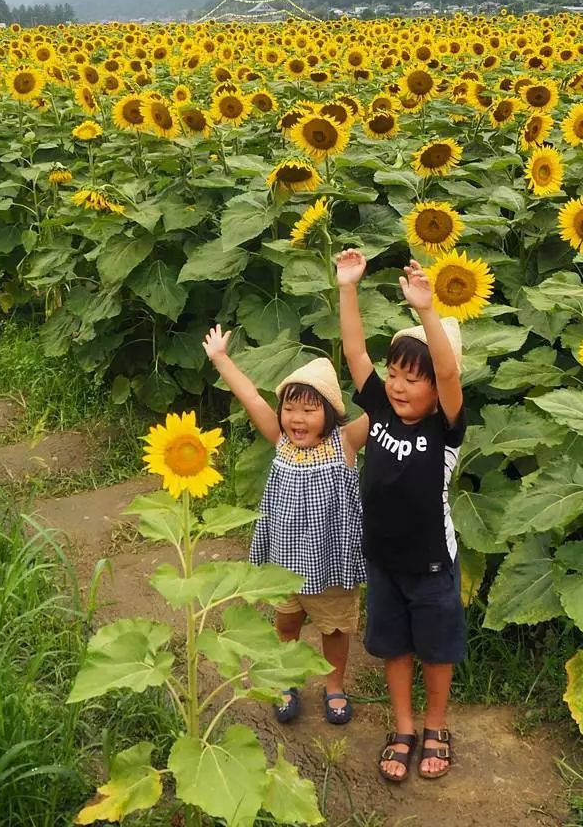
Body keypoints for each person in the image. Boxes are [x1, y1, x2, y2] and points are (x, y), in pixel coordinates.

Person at [337, 249, 467, 783]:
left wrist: (427, 312)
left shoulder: (446, 429)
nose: (397, 385)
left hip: (432, 565)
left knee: (435, 652)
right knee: (392, 647)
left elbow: (449, 369)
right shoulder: (382, 410)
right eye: (394, 374)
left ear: (437, 392)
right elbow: (353, 352)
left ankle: (436, 725)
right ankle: (404, 726)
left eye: (413, 379)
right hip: (384, 562)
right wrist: (348, 287)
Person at [202, 325, 369, 725]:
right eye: (291, 408)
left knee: (334, 628)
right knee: (286, 622)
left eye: (310, 410)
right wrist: (221, 358)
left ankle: (334, 686)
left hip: (331, 561)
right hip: (286, 562)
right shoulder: (279, 438)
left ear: (330, 413)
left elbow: (381, 409)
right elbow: (249, 397)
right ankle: (285, 679)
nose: (297, 418)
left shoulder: (345, 441)